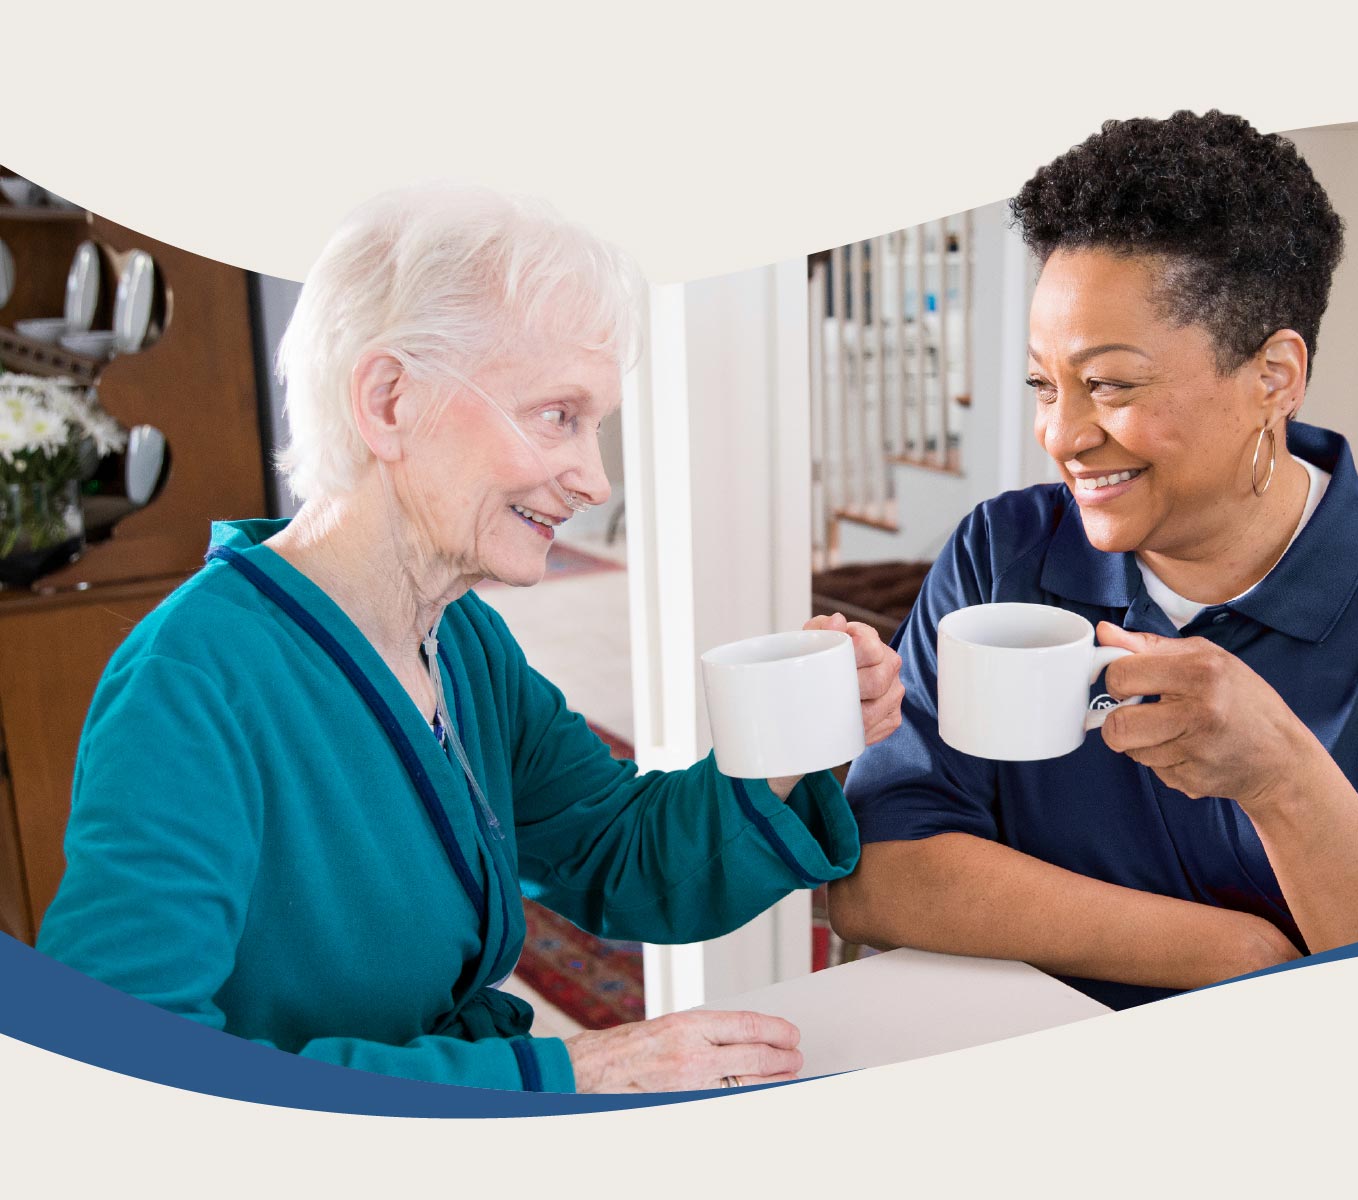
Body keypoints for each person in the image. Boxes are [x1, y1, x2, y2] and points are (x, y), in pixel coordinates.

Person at [37, 185, 903, 1091]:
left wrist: (790, 742)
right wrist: (561, 1078)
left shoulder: (462, 644)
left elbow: (617, 849)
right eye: (557, 415)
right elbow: (122, 1069)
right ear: (390, 401)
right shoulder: (190, 683)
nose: (595, 479)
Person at [831, 111, 1358, 1011]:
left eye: (1111, 384)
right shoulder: (1002, 551)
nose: (1060, 435)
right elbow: (879, 878)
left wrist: (1282, 779)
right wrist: (1231, 953)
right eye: (1042, 384)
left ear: (1274, 377)